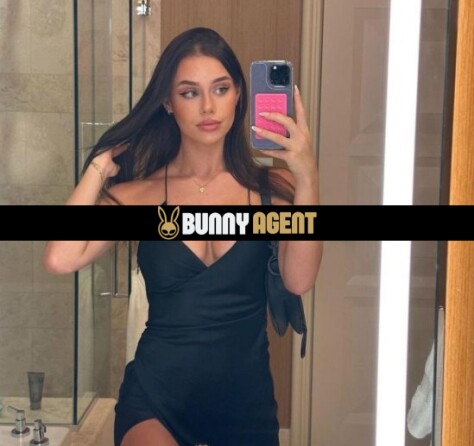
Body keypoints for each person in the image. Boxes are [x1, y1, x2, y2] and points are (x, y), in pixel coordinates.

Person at [43, 27, 322, 446]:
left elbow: (299, 280)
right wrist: (99, 167)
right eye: (190, 92)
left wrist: (307, 175)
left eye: (220, 89)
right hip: (156, 397)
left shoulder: (273, 191)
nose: (208, 106)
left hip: (246, 403)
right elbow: (60, 257)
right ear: (168, 103)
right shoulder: (138, 196)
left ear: (239, 94)